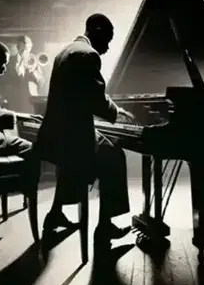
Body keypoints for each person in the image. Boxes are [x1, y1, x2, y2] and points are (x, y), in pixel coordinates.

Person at [35, 13, 136, 239]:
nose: (108, 47)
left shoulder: (68, 50)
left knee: (84, 159)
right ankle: (105, 226)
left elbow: (79, 97)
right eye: (107, 40)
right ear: (97, 31)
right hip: (72, 138)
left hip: (56, 134)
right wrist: (117, 112)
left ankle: (55, 213)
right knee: (114, 155)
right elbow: (96, 100)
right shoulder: (87, 55)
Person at [0, 35, 44, 113]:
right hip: (14, 101)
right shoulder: (9, 61)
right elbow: (2, 80)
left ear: (30, 48)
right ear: (17, 47)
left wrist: (33, 72)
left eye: (27, 49)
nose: (25, 52)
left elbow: (41, 83)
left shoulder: (35, 62)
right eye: (22, 49)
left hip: (31, 101)